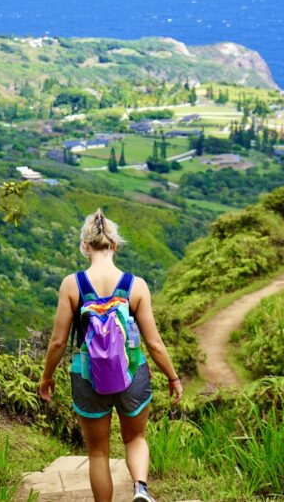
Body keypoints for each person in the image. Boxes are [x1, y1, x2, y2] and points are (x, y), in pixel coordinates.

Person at [39, 209, 182, 502]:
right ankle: (140, 489)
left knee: (98, 452)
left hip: (87, 376)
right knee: (136, 438)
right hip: (133, 373)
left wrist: (47, 377)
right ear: (115, 245)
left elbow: (57, 342)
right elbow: (154, 343)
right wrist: (173, 377)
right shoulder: (136, 285)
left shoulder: (72, 284)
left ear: (85, 246)